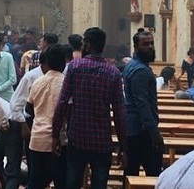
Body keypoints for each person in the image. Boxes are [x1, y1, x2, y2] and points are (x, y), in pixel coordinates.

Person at [52, 27, 126, 189]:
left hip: (77, 137)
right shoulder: (113, 73)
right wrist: (123, 144)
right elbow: (120, 113)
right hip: (102, 141)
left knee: (72, 182)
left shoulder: (74, 67)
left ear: (88, 45)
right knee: (99, 184)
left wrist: (55, 134)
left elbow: (62, 103)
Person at [25, 44, 69, 189]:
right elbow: (69, 111)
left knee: (35, 181)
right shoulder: (66, 83)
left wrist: (40, 115)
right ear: (63, 63)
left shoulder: (38, 82)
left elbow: (28, 108)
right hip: (59, 140)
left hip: (38, 138)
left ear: (47, 63)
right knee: (60, 181)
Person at [123, 30, 163, 178]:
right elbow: (142, 104)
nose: (150, 47)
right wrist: (154, 132)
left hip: (133, 128)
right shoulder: (140, 70)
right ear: (136, 46)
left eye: (151, 43)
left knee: (131, 171)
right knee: (154, 174)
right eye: (145, 44)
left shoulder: (133, 65)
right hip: (141, 130)